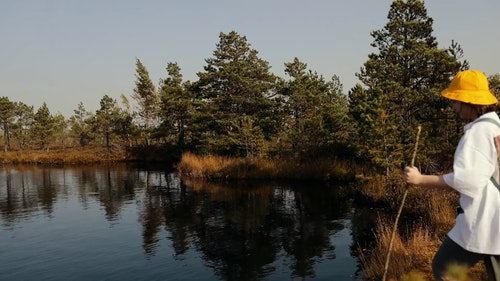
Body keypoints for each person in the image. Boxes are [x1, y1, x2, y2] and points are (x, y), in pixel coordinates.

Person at [404, 69, 500, 280]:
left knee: (443, 267)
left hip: (484, 218)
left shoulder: (477, 133)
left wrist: (420, 179)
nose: (455, 107)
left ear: (469, 102)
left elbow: (467, 180)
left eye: (457, 101)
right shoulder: (495, 125)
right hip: (495, 219)